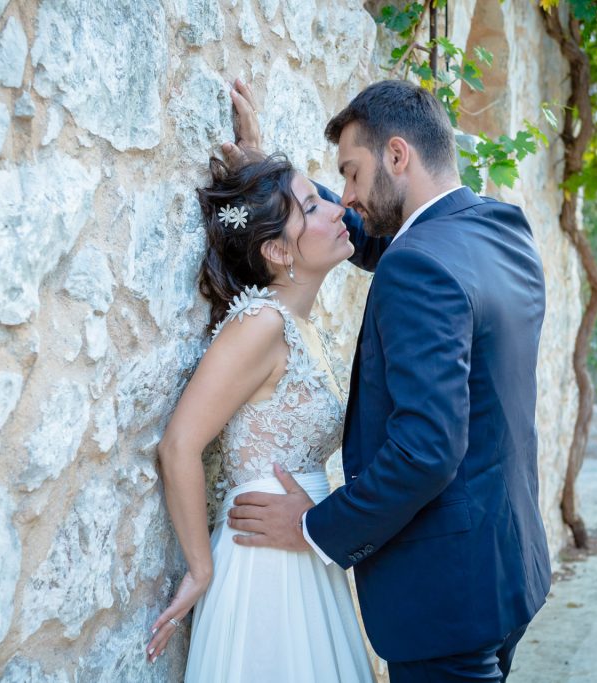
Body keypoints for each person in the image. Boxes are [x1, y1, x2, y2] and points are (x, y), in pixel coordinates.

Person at [227, 79, 552, 683]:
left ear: (398, 155)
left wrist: (314, 528)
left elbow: (425, 450)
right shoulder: (502, 231)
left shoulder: (415, 265)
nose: (346, 197)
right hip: (510, 569)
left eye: (351, 173)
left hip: (445, 597)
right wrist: (275, 179)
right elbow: (378, 233)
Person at [143, 91, 377, 679]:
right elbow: (179, 446)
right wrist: (200, 570)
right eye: (313, 206)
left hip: (306, 555)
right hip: (264, 571)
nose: (335, 208)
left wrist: (258, 158)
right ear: (276, 250)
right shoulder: (260, 325)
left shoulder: (297, 325)